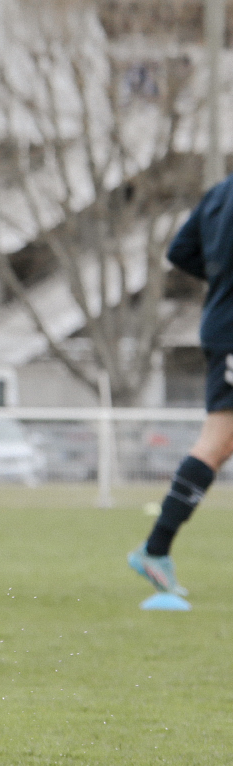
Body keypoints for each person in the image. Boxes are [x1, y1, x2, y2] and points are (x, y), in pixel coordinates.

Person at [130, 176, 233, 596]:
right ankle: (155, 549)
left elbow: (181, 251)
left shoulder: (219, 193)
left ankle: (156, 549)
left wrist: (223, 280)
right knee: (216, 441)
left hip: (221, 325)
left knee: (219, 441)